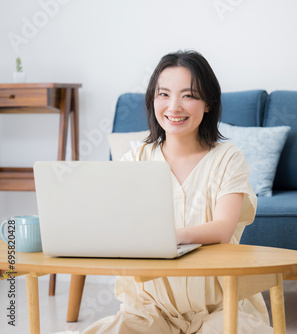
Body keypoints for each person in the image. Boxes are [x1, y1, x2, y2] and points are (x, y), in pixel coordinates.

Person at [82, 50, 273, 333]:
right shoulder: (135, 159)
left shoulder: (228, 158)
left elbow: (222, 229)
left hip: (221, 310)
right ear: (152, 100)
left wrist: (168, 237)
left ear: (208, 103)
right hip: (148, 312)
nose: (174, 106)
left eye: (189, 95)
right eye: (164, 94)